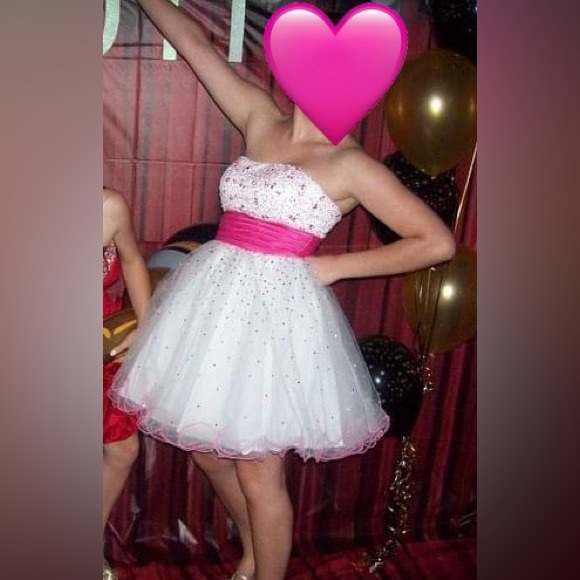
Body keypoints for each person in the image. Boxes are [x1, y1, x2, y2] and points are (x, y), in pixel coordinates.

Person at [111, 1, 456, 579]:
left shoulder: (350, 165)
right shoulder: (260, 117)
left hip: (275, 322)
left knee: (259, 472)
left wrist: (336, 268)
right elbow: (193, 42)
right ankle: (254, 550)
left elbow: (436, 242)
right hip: (212, 306)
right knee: (206, 450)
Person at [103, 188, 151, 580]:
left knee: (122, 448)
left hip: (102, 339)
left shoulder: (108, 206)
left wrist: (145, 326)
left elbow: (133, 260)